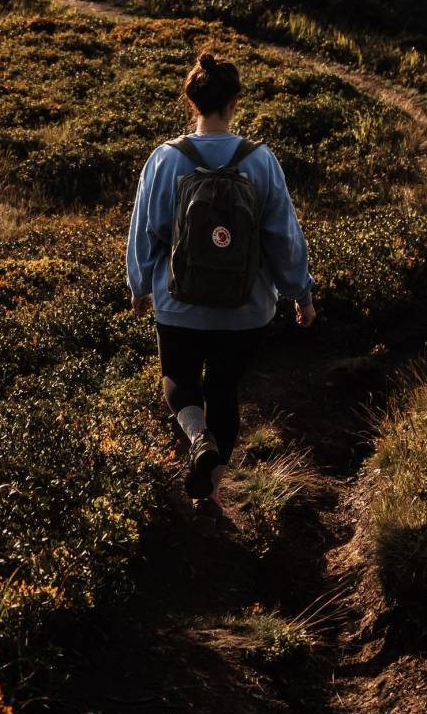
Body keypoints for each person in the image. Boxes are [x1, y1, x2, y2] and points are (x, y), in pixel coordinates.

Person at [126, 49, 315, 502]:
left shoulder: (165, 159)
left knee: (178, 376)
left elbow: (145, 232)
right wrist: (301, 294)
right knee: (224, 389)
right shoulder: (261, 160)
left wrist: (139, 286)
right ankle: (208, 492)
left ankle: (197, 440)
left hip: (179, 304)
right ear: (234, 102)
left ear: (193, 102)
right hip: (245, 310)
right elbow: (283, 238)